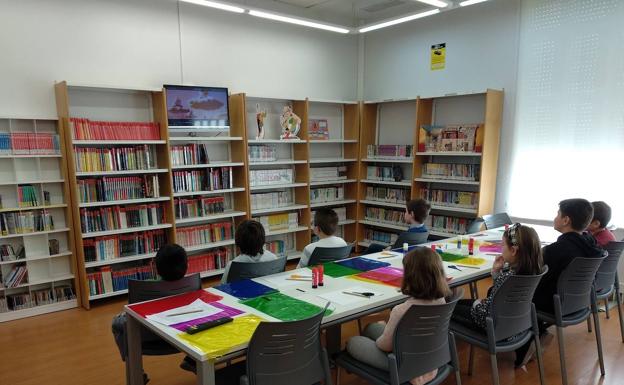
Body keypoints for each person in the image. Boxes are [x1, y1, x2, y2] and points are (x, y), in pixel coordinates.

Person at [516, 198, 603, 367]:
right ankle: (537, 332)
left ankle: (530, 336)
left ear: (566, 220)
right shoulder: (592, 246)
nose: (555, 217)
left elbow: (533, 277)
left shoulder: (558, 250)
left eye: (558, 214)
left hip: (556, 304)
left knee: (515, 292)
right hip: (579, 303)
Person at [346, 247, 451, 384]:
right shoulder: (441, 301)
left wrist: (380, 339)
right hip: (430, 360)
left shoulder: (401, 310)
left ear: (410, 277)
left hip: (406, 367)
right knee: (371, 328)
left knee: (353, 342)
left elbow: (385, 346)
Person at [111, 243, 191, 382]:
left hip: (147, 339)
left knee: (118, 323)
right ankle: (192, 361)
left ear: (156, 268)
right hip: (184, 339)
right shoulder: (192, 284)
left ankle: (136, 369)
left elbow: (131, 319)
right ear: (186, 266)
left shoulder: (145, 288)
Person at [451, 223, 543, 337]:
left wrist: (477, 303)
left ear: (513, 250)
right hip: (514, 324)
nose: (501, 248)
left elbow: (485, 310)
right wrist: (496, 273)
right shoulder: (533, 271)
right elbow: (500, 295)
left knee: (449, 309)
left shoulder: (508, 277)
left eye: (503, 245)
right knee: (461, 303)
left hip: (491, 326)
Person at [364, 199, 431, 255]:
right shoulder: (425, 230)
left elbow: (395, 250)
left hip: (397, 254)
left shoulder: (406, 235)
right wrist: (391, 247)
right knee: (374, 246)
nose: (405, 214)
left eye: (406, 212)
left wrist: (389, 249)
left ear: (412, 214)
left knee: (373, 247)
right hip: (410, 252)